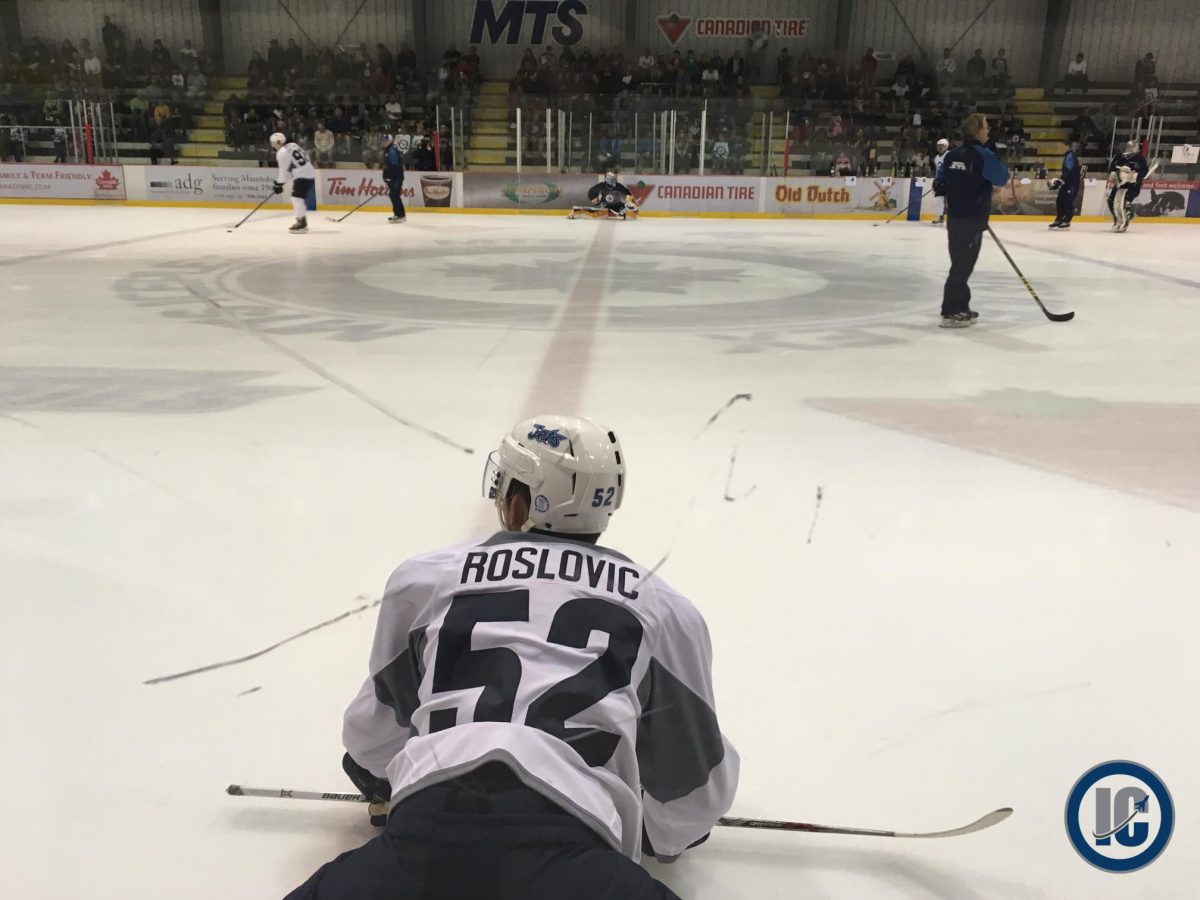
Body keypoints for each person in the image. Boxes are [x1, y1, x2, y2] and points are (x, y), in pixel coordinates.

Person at [284, 415, 740, 900]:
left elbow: (370, 740)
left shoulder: (425, 577)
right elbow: (696, 795)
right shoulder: (664, 608)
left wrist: (381, 783)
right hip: (572, 851)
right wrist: (659, 835)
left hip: (428, 831)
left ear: (519, 502)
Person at [933, 113, 1009, 328]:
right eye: (986, 127)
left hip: (955, 217)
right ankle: (950, 311)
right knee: (963, 266)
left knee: (959, 263)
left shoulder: (952, 155)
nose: (988, 131)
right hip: (972, 219)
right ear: (978, 131)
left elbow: (939, 182)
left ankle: (961, 305)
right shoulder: (982, 154)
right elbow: (1002, 178)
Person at [270, 131, 316, 234]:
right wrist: (280, 183)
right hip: (309, 171)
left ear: (277, 143)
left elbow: (283, 171)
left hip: (302, 175)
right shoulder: (293, 145)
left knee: (296, 198)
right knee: (298, 197)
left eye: (273, 144)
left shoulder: (281, 153)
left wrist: (278, 184)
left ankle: (301, 223)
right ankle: (302, 221)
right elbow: (303, 159)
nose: (272, 146)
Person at [1107, 139, 1149, 233]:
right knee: (1111, 200)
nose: (1129, 148)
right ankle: (1117, 219)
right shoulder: (1119, 156)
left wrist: (1135, 177)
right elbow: (1112, 169)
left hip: (1132, 186)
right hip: (1119, 184)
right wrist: (1115, 174)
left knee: (1123, 202)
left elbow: (1144, 172)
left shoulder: (1140, 159)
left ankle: (1125, 219)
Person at [570, 172, 635, 219]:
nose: (614, 180)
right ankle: (575, 212)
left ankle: (620, 213)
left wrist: (629, 202)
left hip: (617, 205)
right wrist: (595, 201)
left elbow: (628, 193)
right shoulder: (601, 185)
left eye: (614, 179)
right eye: (612, 179)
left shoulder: (619, 186)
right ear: (607, 179)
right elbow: (591, 192)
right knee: (596, 213)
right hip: (604, 205)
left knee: (630, 213)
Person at [1048, 137, 1082, 229]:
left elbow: (1067, 171)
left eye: (1061, 146)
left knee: (1068, 201)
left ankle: (1067, 220)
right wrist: (1060, 182)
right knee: (1060, 200)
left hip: (1071, 184)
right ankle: (1059, 218)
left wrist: (1059, 182)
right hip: (1066, 183)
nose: (1059, 148)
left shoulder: (1070, 156)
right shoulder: (1068, 156)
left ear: (1067, 146)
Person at [381, 133, 406, 223]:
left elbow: (395, 166)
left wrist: (391, 178)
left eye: (386, 140)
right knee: (393, 195)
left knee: (394, 195)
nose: (384, 142)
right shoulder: (388, 150)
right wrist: (386, 177)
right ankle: (398, 214)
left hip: (396, 177)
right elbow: (387, 166)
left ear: (390, 141)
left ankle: (400, 215)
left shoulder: (392, 151)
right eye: (384, 140)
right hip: (393, 177)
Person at [931, 137, 950, 225]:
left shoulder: (949, 155)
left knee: (950, 200)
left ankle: (953, 218)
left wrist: (946, 180)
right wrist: (935, 181)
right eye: (938, 146)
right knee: (939, 199)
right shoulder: (936, 158)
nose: (939, 147)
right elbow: (938, 171)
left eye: (941, 146)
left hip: (949, 182)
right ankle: (939, 217)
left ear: (946, 146)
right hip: (940, 182)